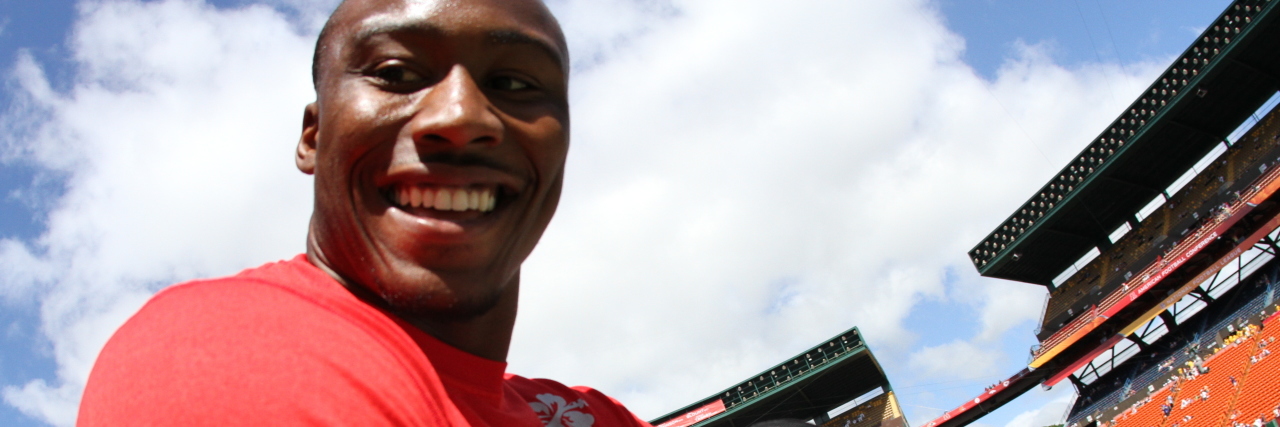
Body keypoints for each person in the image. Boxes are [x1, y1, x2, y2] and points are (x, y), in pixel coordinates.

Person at [77, 0, 651, 425]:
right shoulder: (219, 351)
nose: (462, 115)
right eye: (396, 74)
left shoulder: (585, 412)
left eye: (515, 82)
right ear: (313, 135)